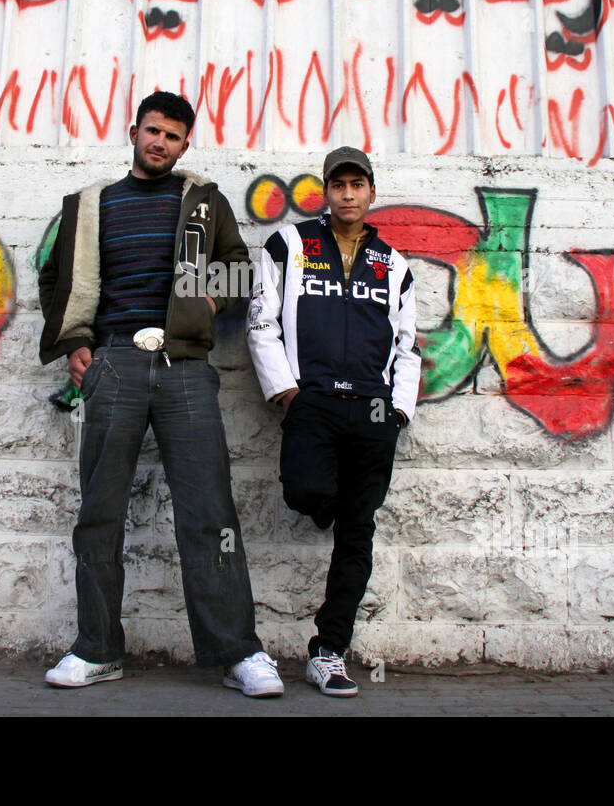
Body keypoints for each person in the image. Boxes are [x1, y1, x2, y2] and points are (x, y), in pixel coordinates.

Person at [38, 91, 282, 697]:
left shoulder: (203, 199)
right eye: (152, 132)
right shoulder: (92, 204)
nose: (160, 144)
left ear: (185, 144)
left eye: (173, 137)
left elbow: (240, 266)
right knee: (99, 512)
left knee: (209, 512)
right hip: (115, 362)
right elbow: (54, 273)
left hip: (186, 366)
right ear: (134, 131)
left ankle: (238, 652)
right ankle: (96, 648)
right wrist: (75, 342)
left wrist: (205, 301)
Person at [247, 145, 420, 697]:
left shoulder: (394, 263)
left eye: (357, 184)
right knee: (303, 492)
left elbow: (408, 345)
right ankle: (328, 502)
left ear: (371, 192)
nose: (347, 194)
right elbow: (260, 319)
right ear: (327, 191)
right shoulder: (290, 244)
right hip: (312, 402)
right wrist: (286, 393)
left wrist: (397, 410)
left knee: (357, 533)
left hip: (372, 410)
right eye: (338, 184)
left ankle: (328, 651)